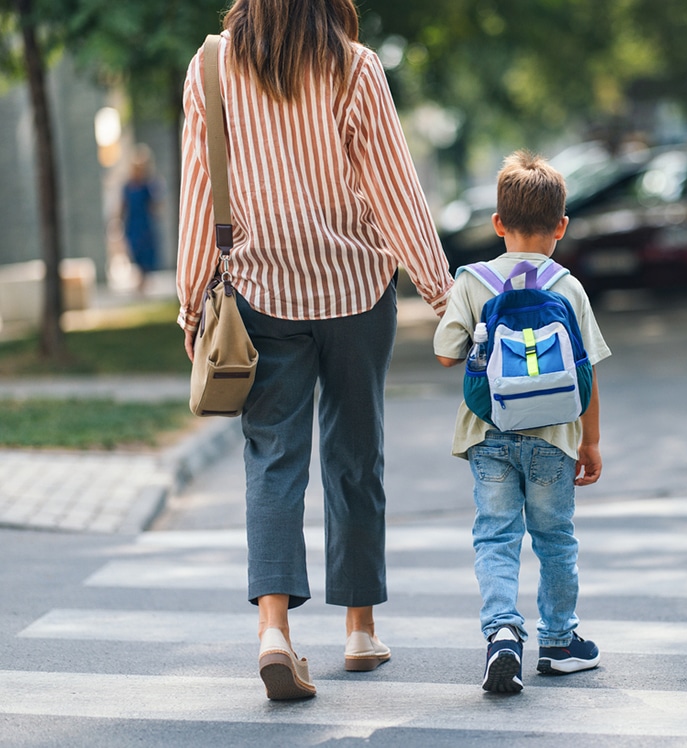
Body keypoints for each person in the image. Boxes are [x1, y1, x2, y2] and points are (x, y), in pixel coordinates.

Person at [176, 0, 453, 701]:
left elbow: (197, 190)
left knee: (273, 456)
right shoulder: (354, 67)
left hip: (259, 289)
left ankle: (275, 633)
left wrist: (190, 301)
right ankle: (359, 631)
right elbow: (395, 191)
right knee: (357, 449)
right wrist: (444, 297)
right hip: (357, 286)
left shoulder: (210, 66)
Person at [433, 150, 611, 694]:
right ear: (561, 226)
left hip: (488, 436)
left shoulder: (471, 280)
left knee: (496, 535)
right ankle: (558, 641)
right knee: (555, 537)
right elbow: (588, 372)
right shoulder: (569, 286)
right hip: (555, 438)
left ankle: (502, 632)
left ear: (497, 224)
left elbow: (445, 354)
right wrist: (592, 441)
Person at [120, 144, 160, 294]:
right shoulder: (128, 186)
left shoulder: (148, 185)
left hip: (145, 224)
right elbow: (122, 205)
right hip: (133, 223)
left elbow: (155, 206)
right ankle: (140, 281)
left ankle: (143, 283)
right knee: (135, 251)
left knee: (147, 253)